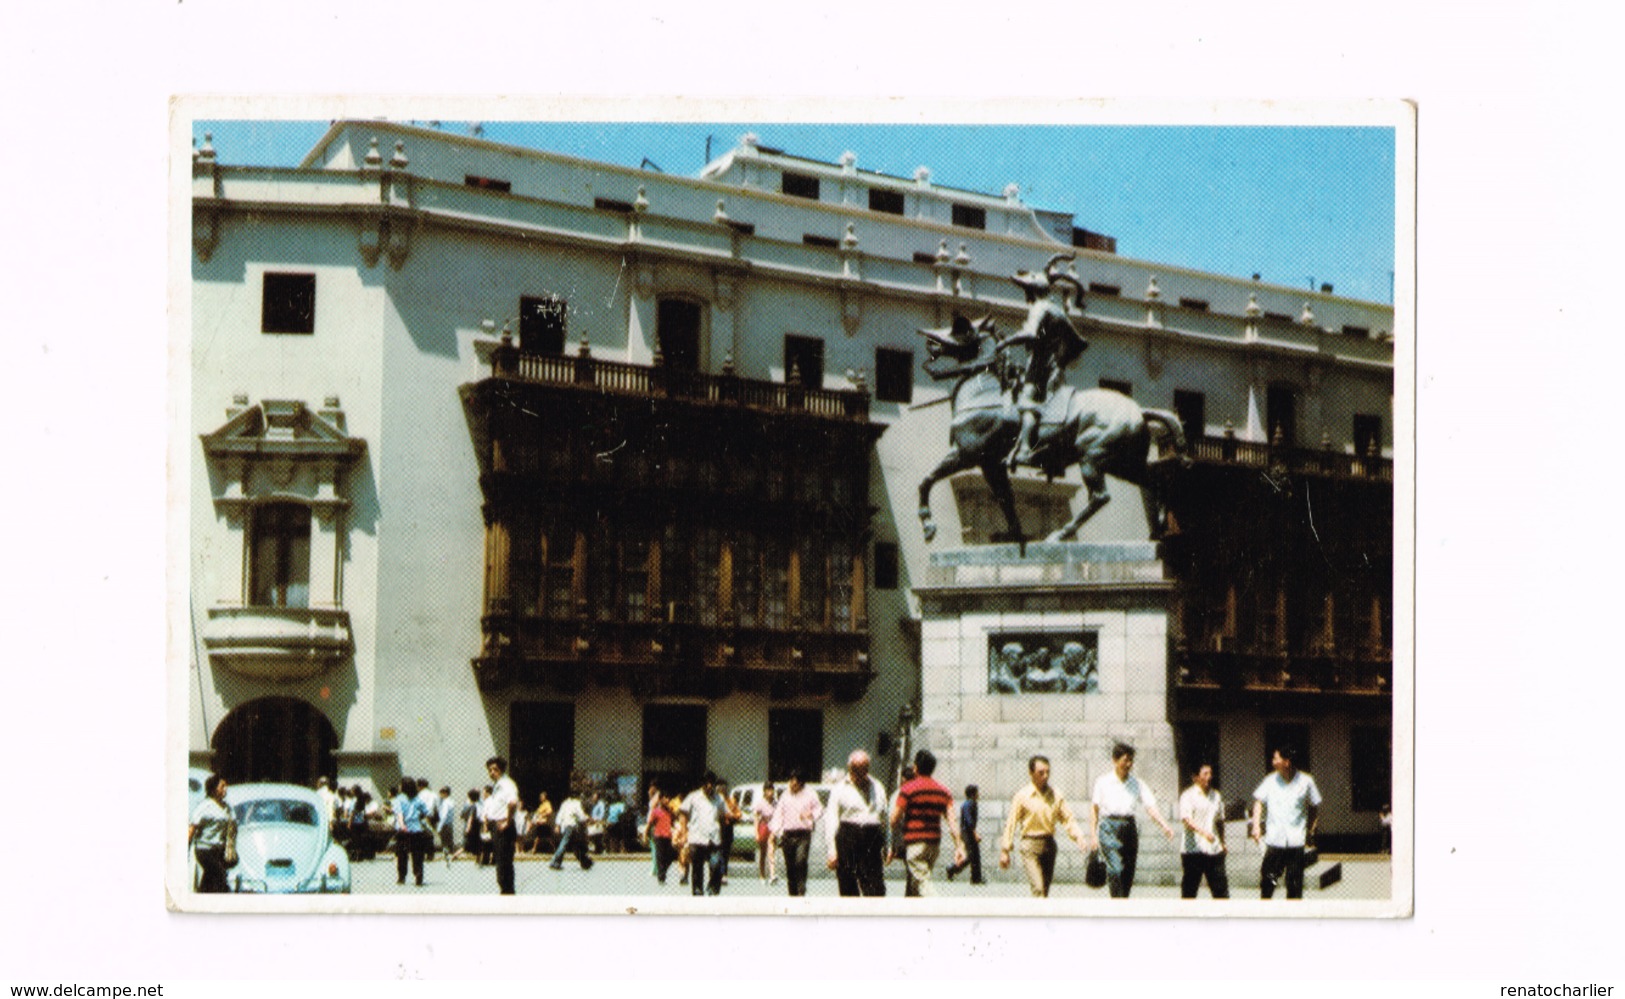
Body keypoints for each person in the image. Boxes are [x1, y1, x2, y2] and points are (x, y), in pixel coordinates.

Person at [997, 253, 1089, 469]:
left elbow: (1030, 333)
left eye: (1026, 290)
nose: (1025, 295)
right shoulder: (1057, 310)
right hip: (1055, 365)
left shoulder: (1039, 308)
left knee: (1028, 403)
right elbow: (1079, 341)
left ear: (1031, 291)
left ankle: (1027, 448)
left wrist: (1006, 342)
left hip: (1040, 366)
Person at [1090, 743, 1176, 898]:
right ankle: (1118, 904)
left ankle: (1124, 902)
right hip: (1109, 827)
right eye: (1125, 760)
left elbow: (1150, 807)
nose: (1129, 764)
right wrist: (1093, 835)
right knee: (1115, 869)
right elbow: (1094, 810)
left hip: (1129, 827)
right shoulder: (1102, 782)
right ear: (1115, 761)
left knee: (1128, 871)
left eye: (1131, 761)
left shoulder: (1137, 783)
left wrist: (1165, 826)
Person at [1000, 755, 1088, 897]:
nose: (1045, 776)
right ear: (1031, 773)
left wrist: (1078, 837)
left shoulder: (1055, 795)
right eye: (1041, 773)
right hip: (1030, 845)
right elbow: (1011, 822)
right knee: (1038, 888)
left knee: (1044, 891)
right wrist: (1005, 850)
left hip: (1049, 845)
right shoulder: (1022, 796)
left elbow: (1067, 818)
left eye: (1048, 772)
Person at [890, 750, 967, 897]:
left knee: (923, 883)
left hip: (914, 844)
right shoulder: (943, 792)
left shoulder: (907, 789)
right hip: (933, 845)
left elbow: (894, 819)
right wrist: (959, 846)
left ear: (915, 768)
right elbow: (952, 821)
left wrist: (892, 839)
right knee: (915, 884)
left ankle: (938, 912)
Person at [1250, 746, 1322, 900]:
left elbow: (1314, 806)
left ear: (1286, 762)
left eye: (1276, 758)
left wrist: (1311, 830)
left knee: (1294, 886)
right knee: (1268, 883)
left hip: (1296, 842)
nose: (1273, 762)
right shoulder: (1270, 781)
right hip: (1274, 842)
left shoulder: (1306, 781)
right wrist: (1256, 826)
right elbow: (1258, 802)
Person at [826, 750, 889, 897]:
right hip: (848, 835)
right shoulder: (839, 789)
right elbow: (831, 820)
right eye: (856, 768)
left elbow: (884, 816)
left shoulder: (877, 786)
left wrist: (888, 844)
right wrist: (832, 851)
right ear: (850, 768)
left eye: (864, 768)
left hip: (872, 837)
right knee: (847, 885)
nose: (861, 773)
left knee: (876, 888)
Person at [1178, 763, 1229, 898]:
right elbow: (1187, 821)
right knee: (1189, 891)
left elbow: (1219, 821)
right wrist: (1204, 833)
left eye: (1210, 773)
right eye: (1205, 774)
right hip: (1193, 850)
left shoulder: (1216, 796)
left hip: (1214, 848)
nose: (1209, 777)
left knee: (1221, 891)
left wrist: (1223, 842)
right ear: (1195, 777)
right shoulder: (1187, 796)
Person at [769, 772, 823, 897]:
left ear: (801, 782)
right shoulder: (785, 795)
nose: (793, 783)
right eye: (791, 780)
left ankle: (801, 890)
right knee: (790, 866)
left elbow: (819, 809)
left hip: (803, 834)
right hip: (788, 835)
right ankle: (792, 893)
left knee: (801, 860)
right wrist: (774, 832)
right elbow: (778, 814)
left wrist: (811, 815)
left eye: (796, 781)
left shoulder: (810, 794)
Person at [679, 772, 726, 896]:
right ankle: (697, 890)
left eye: (712, 783)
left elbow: (722, 816)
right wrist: (684, 834)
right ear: (703, 784)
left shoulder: (719, 799)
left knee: (716, 864)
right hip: (697, 838)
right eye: (707, 783)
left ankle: (712, 888)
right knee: (697, 867)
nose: (709, 786)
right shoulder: (693, 797)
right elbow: (683, 813)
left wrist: (721, 832)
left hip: (714, 838)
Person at [189, 773, 234, 893]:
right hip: (205, 850)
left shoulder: (226, 807)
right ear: (214, 789)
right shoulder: (205, 806)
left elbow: (232, 826)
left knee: (208, 880)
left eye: (226, 786)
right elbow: (192, 828)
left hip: (218, 850)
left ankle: (201, 896)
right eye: (222, 786)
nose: (225, 789)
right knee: (220, 876)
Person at [483, 757, 520, 894]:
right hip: (496, 827)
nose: (492, 772)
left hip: (503, 827)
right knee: (501, 863)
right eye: (490, 770)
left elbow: (513, 802)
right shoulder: (498, 785)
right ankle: (506, 891)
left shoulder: (506, 784)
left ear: (502, 770)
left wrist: (507, 821)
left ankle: (508, 894)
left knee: (504, 864)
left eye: (495, 770)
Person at [393, 777, 429, 887]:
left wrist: (402, 825)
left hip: (403, 831)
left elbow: (399, 814)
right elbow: (426, 812)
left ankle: (401, 877)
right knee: (417, 855)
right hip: (417, 830)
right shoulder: (418, 799)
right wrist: (417, 817)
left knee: (402, 855)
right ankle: (418, 876)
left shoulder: (399, 799)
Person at [549, 786, 593, 871]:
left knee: (575, 845)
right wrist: (587, 818)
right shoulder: (576, 803)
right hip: (572, 826)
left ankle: (585, 862)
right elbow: (581, 815)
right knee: (565, 844)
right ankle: (555, 862)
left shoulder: (565, 803)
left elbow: (560, 814)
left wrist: (557, 825)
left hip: (565, 826)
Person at [946, 785, 983, 884]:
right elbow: (968, 820)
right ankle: (952, 869)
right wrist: (975, 833)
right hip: (968, 833)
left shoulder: (969, 804)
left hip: (967, 832)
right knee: (971, 855)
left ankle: (976, 878)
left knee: (974, 855)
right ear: (973, 794)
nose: (978, 794)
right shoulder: (969, 804)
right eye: (977, 792)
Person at [646, 786, 676, 884]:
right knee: (660, 856)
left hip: (668, 836)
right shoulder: (656, 811)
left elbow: (673, 822)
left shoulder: (670, 812)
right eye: (665, 798)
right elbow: (650, 824)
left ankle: (662, 871)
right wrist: (645, 835)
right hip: (659, 836)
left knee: (671, 855)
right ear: (661, 799)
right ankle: (661, 877)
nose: (667, 800)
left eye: (669, 798)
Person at [753, 782, 779, 884]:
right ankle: (762, 875)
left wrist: (776, 830)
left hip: (772, 827)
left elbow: (778, 817)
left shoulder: (776, 803)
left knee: (771, 851)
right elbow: (756, 818)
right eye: (768, 790)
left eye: (772, 790)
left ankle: (772, 875)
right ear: (764, 791)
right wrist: (756, 833)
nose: (770, 792)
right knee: (763, 853)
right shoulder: (760, 803)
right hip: (763, 827)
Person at [716, 781, 742, 883]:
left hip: (728, 829)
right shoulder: (715, 801)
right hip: (717, 829)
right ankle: (717, 873)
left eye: (724, 788)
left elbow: (739, 814)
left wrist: (733, 816)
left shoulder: (731, 801)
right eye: (720, 788)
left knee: (725, 853)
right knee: (718, 852)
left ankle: (724, 873)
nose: (722, 790)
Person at [416, 778, 440, 862]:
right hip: (432, 817)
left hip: (422, 816)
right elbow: (437, 807)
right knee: (429, 836)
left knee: (420, 836)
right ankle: (430, 854)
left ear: (420, 786)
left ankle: (421, 854)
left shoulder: (420, 795)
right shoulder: (433, 794)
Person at [436, 786, 459, 859]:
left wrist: (439, 827)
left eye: (441, 793)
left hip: (445, 824)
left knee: (444, 840)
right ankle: (452, 854)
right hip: (450, 824)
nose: (440, 795)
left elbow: (444, 816)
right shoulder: (451, 801)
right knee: (449, 840)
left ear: (445, 793)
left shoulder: (445, 803)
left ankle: (446, 855)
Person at [460, 789, 482, 861]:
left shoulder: (468, 805)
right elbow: (472, 817)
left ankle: (454, 856)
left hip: (469, 825)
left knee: (468, 843)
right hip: (476, 825)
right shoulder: (478, 805)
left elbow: (463, 816)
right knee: (476, 842)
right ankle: (478, 859)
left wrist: (467, 827)